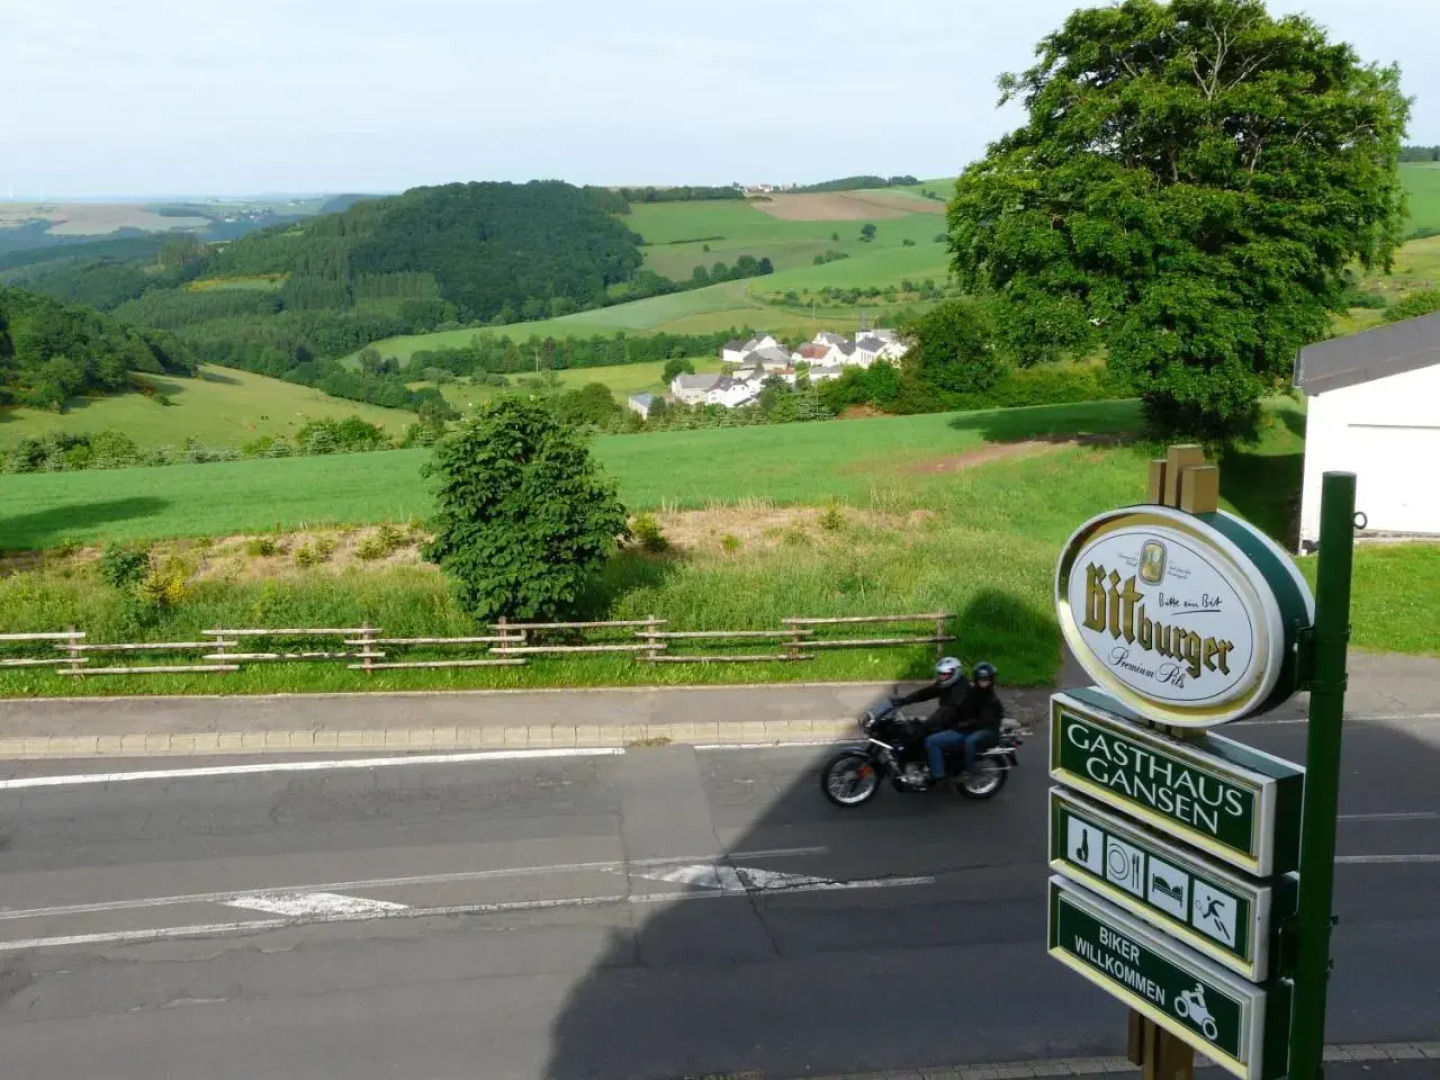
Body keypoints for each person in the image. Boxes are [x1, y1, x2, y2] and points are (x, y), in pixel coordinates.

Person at [891, 659, 1004, 785]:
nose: (941, 676)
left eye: (945, 674)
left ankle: (938, 775)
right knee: (920, 734)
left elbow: (946, 711)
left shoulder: (965, 692)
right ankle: (923, 763)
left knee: (931, 741)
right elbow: (926, 693)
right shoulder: (961, 687)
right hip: (958, 723)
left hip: (967, 729)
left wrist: (926, 724)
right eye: (940, 674)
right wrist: (905, 700)